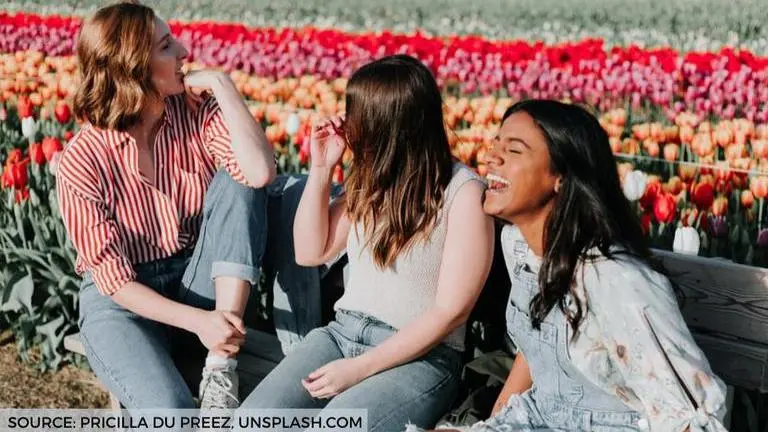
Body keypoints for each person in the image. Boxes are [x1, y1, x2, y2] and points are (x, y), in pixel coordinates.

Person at [416, 100, 728, 431]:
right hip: (539, 418)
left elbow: (690, 416)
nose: (492, 156)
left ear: (561, 178)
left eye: (514, 150)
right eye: (496, 144)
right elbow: (536, 351)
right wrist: (493, 423)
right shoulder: (519, 246)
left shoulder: (614, 280)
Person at [238, 54, 495, 431]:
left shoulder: (464, 192)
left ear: (387, 123)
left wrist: (359, 369)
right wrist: (322, 168)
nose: (347, 122)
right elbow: (310, 252)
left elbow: (449, 313)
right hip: (340, 336)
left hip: (421, 357)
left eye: (356, 112)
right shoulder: (372, 182)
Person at [56, 0, 276, 409]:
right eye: (166, 46)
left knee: (237, 179)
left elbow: (259, 173)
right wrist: (200, 322)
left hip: (194, 282)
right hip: (125, 307)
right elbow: (116, 282)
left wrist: (224, 86)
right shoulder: (82, 160)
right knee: (170, 413)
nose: (184, 52)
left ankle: (221, 367)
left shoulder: (196, 112)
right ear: (132, 67)